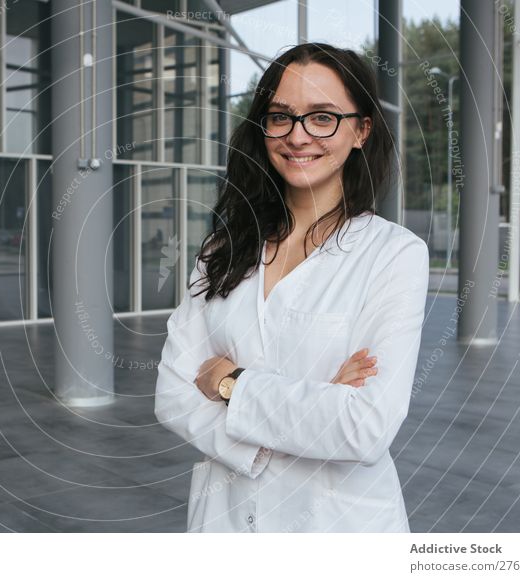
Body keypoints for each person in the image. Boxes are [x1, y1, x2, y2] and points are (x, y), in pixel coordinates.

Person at [154, 43, 429, 533]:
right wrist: (315, 402)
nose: (298, 136)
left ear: (361, 130)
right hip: (226, 520)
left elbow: (364, 427)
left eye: (322, 117)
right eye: (281, 116)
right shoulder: (223, 247)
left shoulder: (393, 254)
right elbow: (172, 394)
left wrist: (229, 383)